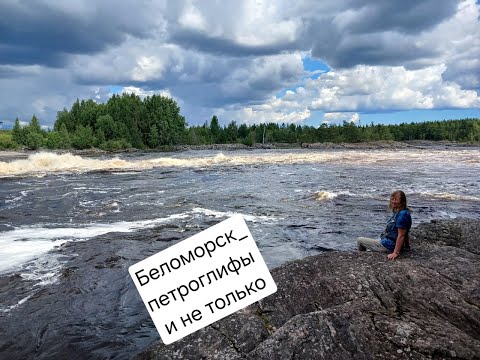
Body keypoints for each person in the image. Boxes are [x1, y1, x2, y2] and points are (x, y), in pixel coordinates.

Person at [357, 190, 412, 260]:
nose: (393, 201)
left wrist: (396, 252)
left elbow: (401, 235)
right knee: (369, 246)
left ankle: (360, 259)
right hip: (388, 242)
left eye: (396, 200)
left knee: (359, 240)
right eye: (392, 199)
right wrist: (406, 246)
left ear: (402, 201)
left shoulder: (402, 214)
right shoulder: (398, 212)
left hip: (389, 245)